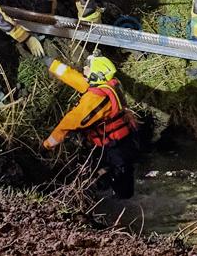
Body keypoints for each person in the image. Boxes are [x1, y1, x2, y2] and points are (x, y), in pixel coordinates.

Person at [43, 55, 139, 199]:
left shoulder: (95, 101)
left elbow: (68, 124)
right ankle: (105, 186)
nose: (84, 69)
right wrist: (50, 63)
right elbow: (74, 77)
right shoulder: (105, 84)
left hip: (116, 148)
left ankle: (122, 208)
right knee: (104, 177)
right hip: (115, 144)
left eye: (88, 68)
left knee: (123, 191)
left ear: (96, 75)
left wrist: (46, 146)